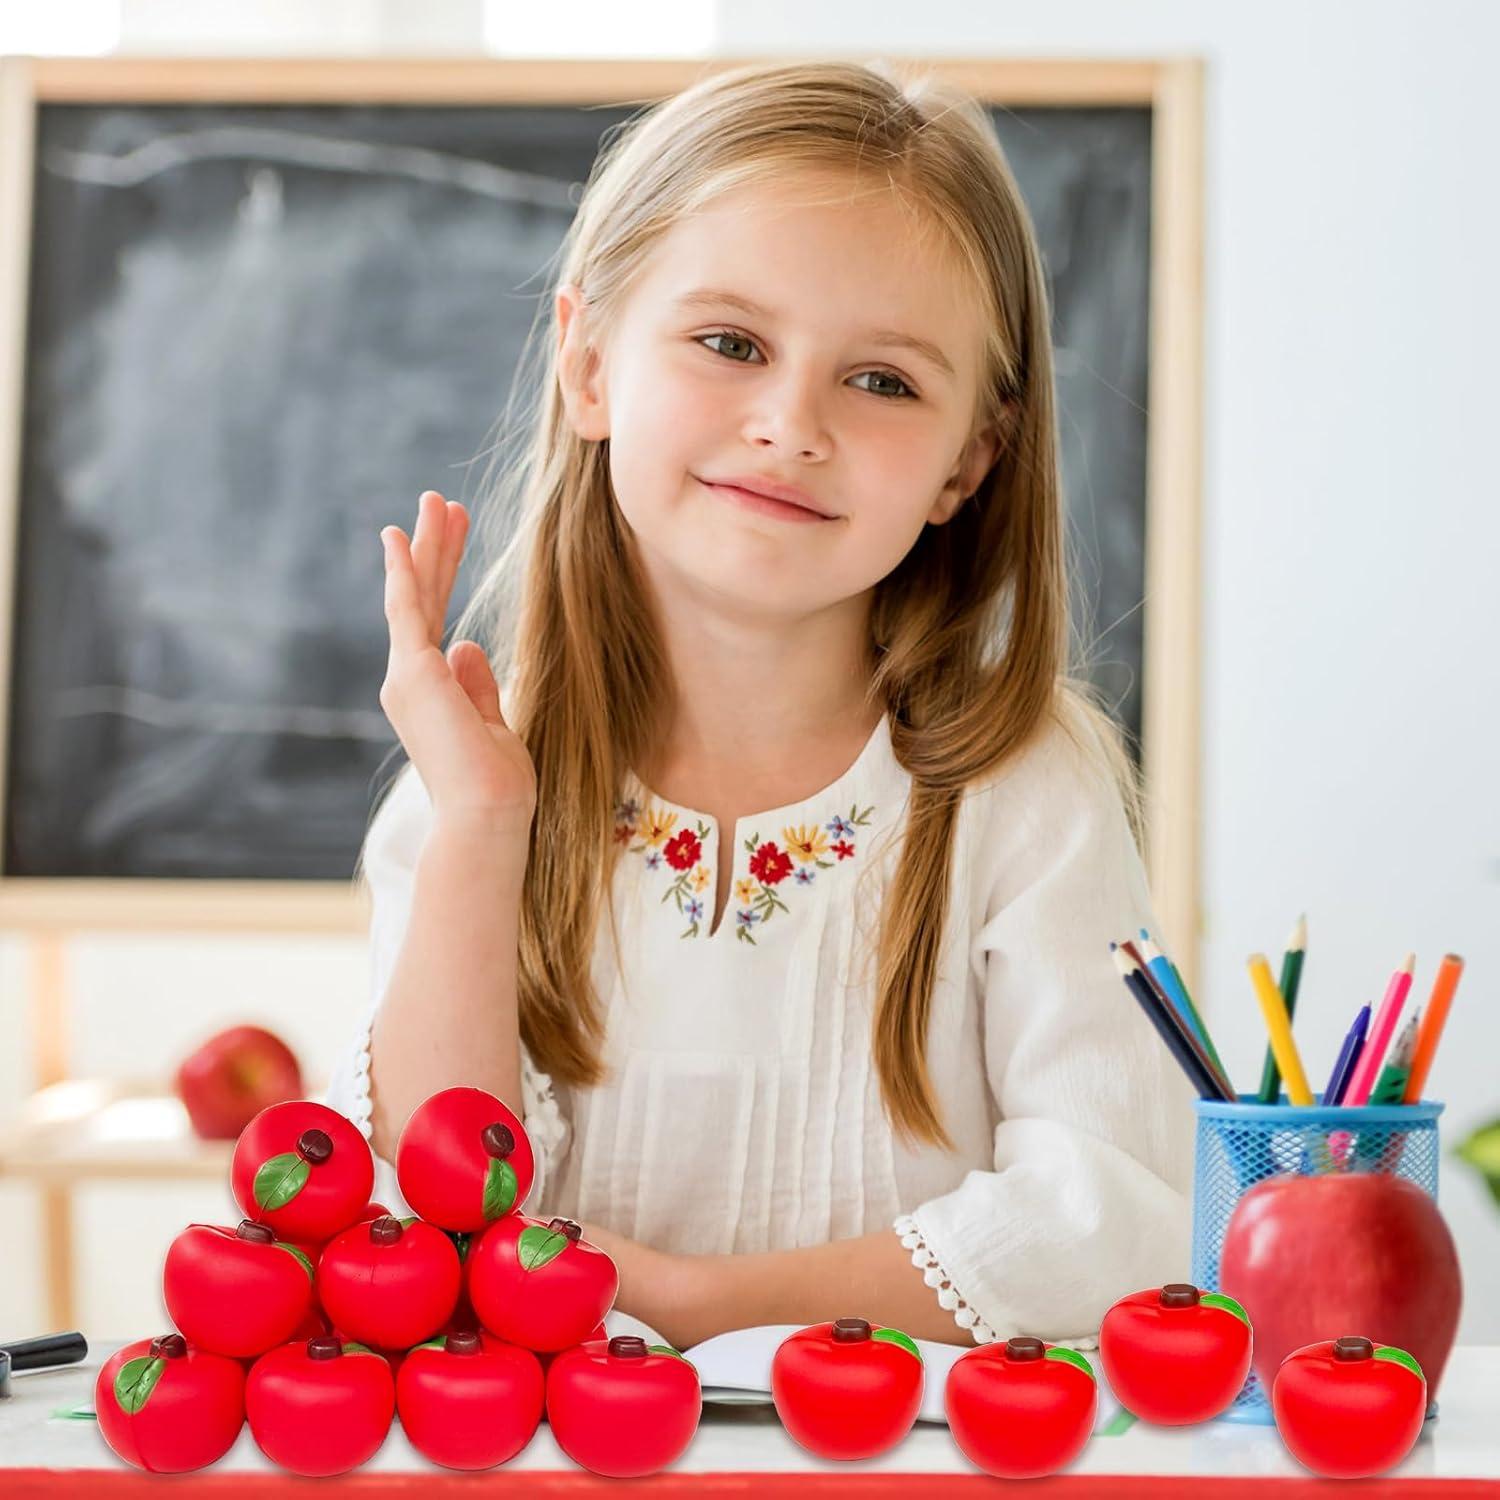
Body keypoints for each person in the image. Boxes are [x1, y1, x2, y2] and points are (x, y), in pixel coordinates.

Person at [325, 58, 1196, 1353]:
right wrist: (482, 828)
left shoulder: (1026, 787)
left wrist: (695, 1305)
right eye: (731, 345)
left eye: (883, 380)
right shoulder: (469, 785)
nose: (791, 424)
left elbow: (1111, 1222)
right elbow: (428, 1219)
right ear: (588, 363)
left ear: (968, 463)